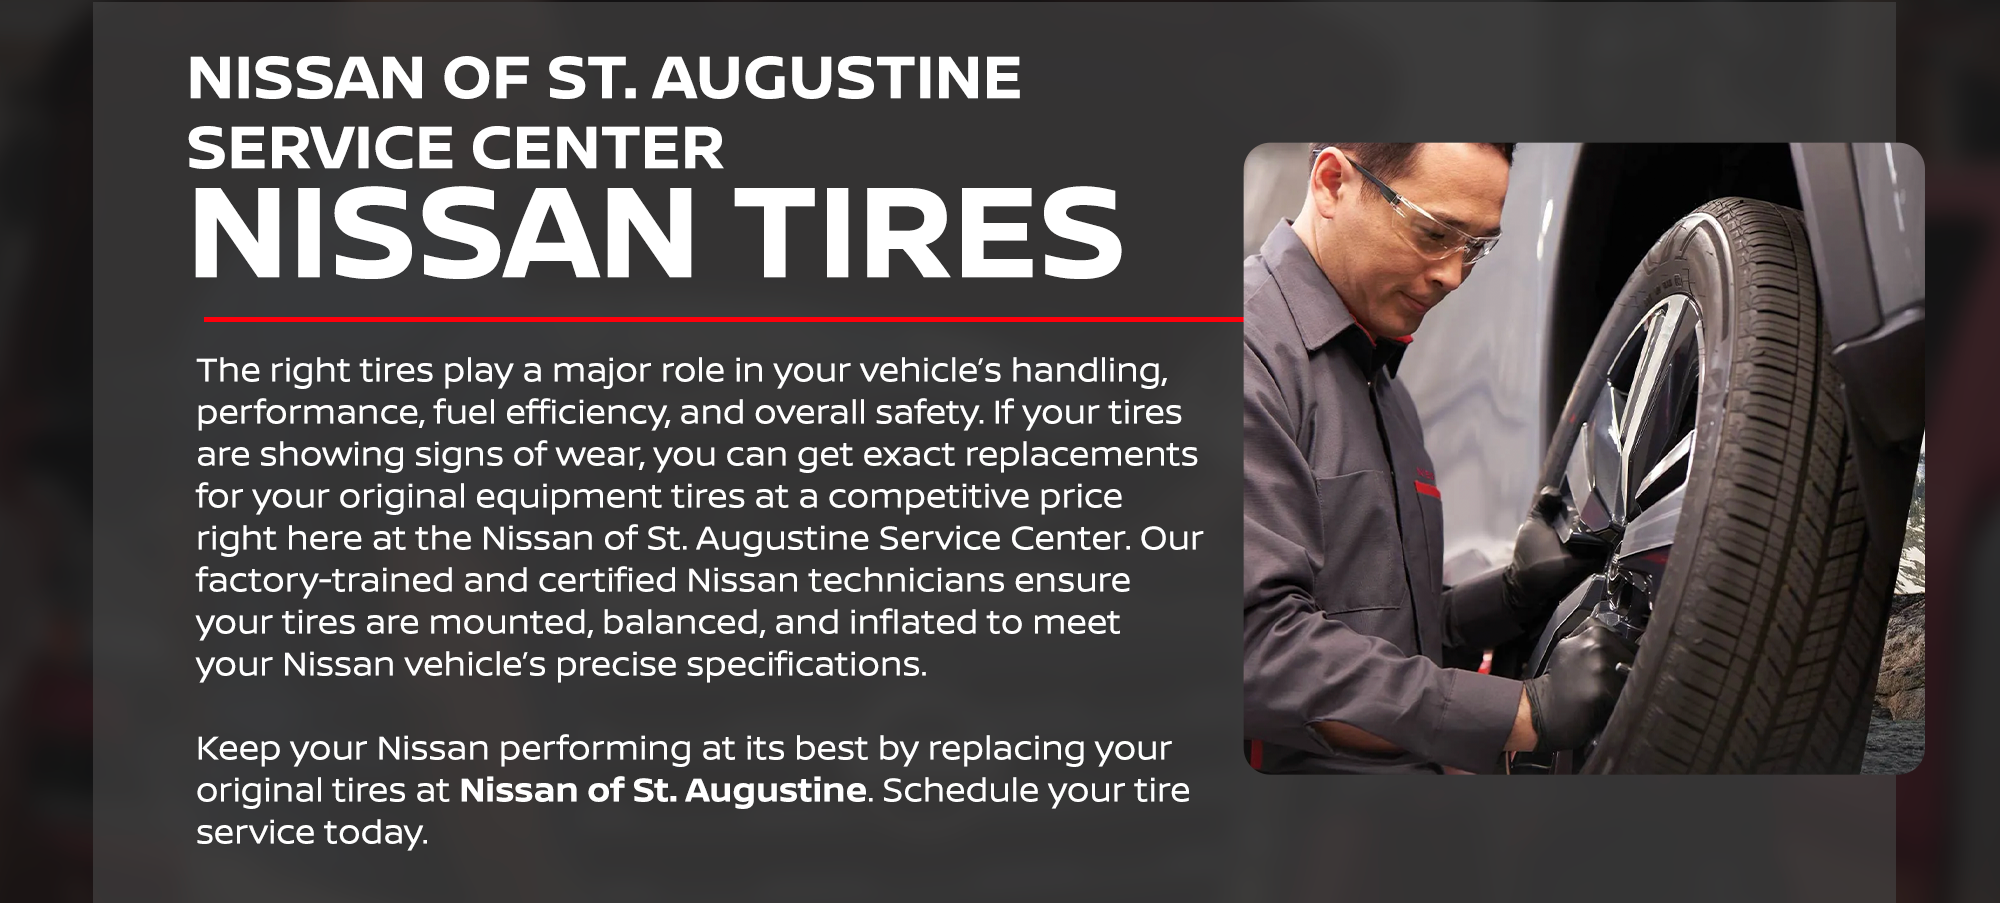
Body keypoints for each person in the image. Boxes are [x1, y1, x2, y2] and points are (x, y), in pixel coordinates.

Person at [1243, 142, 1636, 774]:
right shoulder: (1247, 357)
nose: (1453, 275)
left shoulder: (1381, 387)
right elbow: (1257, 650)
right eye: (1433, 232)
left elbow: (1387, 642)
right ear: (1332, 182)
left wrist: (1506, 599)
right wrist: (1526, 714)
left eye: (1477, 247)